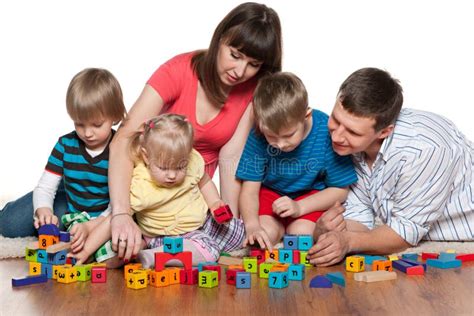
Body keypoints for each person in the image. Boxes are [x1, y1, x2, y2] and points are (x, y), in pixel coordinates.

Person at [108, 2, 282, 261]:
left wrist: (229, 219)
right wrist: (121, 212)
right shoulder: (178, 70)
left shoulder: (253, 87)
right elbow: (124, 138)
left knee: (222, 238)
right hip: (146, 182)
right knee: (59, 213)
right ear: (220, 38)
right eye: (235, 55)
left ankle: (154, 254)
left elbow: (231, 154)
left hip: (190, 192)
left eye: (253, 64)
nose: (240, 71)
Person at [307, 67, 474, 266]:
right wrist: (327, 231)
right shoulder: (349, 146)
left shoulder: (424, 150)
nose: (336, 136)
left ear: (384, 131)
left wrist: (348, 241)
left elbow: (404, 232)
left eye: (353, 132)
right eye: (335, 120)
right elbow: (360, 218)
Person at [71, 114, 243, 267]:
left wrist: (215, 203)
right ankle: (153, 256)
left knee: (238, 231)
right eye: (163, 168)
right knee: (209, 251)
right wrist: (85, 251)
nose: (172, 175)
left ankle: (200, 246)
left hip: (201, 223)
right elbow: (112, 219)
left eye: (180, 167)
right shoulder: (141, 187)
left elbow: (204, 182)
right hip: (164, 237)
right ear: (146, 157)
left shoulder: (191, 161)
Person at [236, 72, 358, 250]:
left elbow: (340, 190)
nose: (280, 144)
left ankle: (292, 227)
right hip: (271, 194)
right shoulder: (258, 134)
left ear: (306, 116)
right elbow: (249, 190)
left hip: (310, 195)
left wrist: (299, 207)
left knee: (301, 235)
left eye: (288, 135)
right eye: (271, 136)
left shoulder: (326, 131)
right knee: (264, 235)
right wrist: (252, 225)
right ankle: (274, 229)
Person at [33, 68, 126, 264]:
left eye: (96, 124)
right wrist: (43, 210)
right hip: (71, 207)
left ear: (115, 116)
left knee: (114, 249)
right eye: (79, 124)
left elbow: (120, 203)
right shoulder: (65, 145)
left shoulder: (121, 148)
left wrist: (93, 226)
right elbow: (45, 187)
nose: (87, 133)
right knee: (11, 224)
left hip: (105, 216)